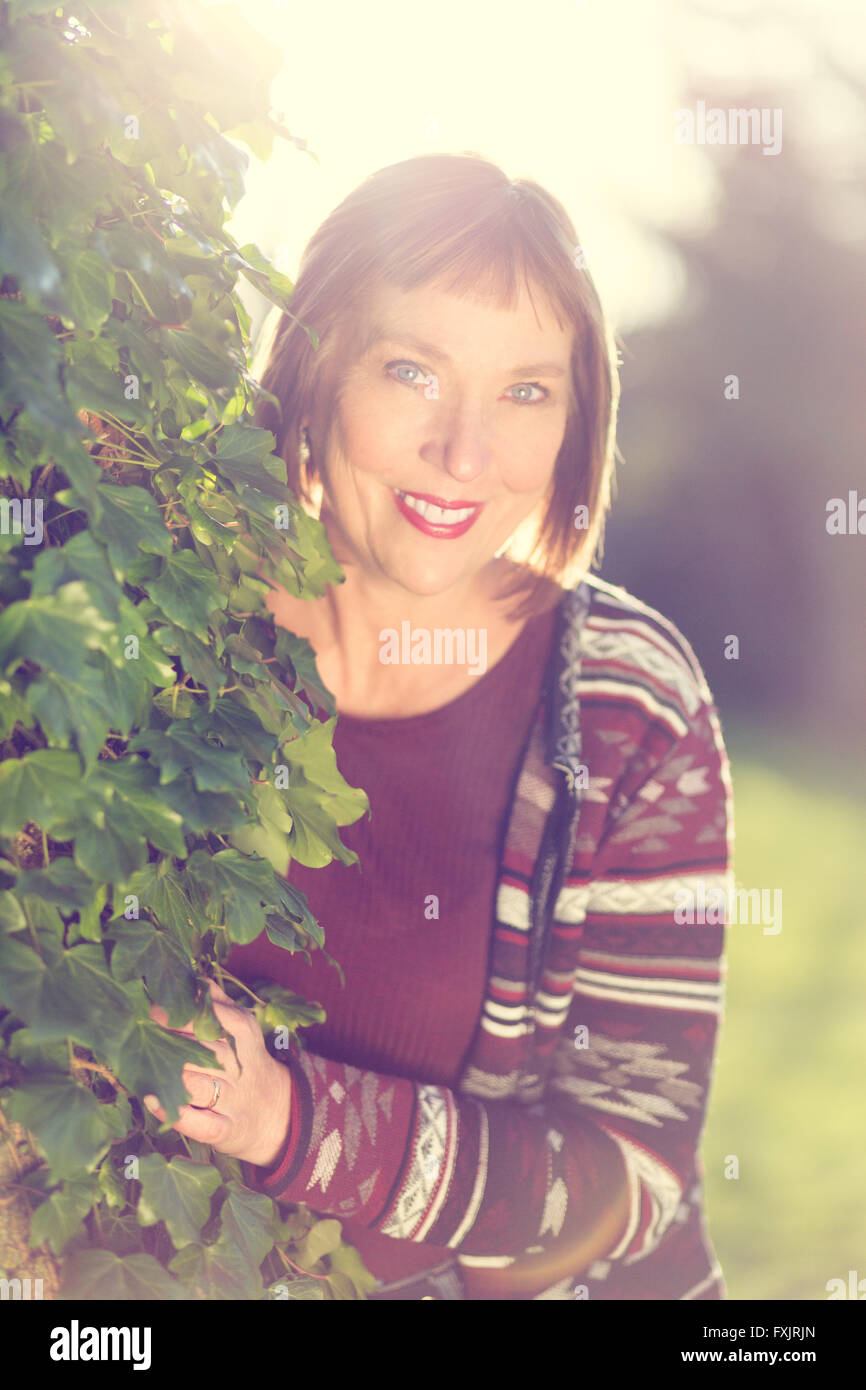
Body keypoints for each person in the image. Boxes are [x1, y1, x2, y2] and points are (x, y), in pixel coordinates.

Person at [145, 152, 734, 1301]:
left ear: (575, 422)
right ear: (315, 367)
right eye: (411, 369)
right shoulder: (156, 631)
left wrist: (288, 1116)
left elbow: (631, 1176)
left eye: (525, 390)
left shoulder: (628, 705)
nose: (466, 453)